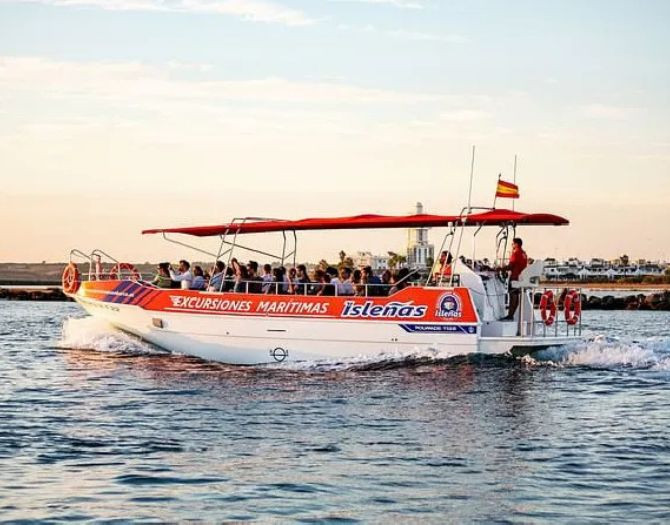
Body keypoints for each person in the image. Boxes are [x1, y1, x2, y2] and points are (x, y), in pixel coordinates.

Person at [499, 237, 528, 320]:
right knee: (516, 297)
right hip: (521, 278)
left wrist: (500, 268)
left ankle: (510, 315)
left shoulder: (516, 253)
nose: (512, 245)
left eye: (512, 244)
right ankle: (511, 315)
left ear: (516, 244)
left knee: (512, 297)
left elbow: (510, 266)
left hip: (514, 278)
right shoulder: (524, 254)